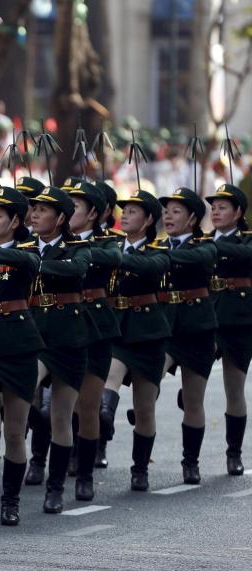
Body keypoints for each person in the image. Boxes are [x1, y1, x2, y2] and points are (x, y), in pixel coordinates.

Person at [0, 187, 43, 525]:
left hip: (17, 344)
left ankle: (11, 499)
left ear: (15, 221)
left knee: (15, 432)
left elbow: (30, 262)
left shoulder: (28, 249)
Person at [27, 186, 95, 513]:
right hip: (33, 336)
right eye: (34, 209)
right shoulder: (24, 246)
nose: (35, 214)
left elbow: (75, 270)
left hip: (69, 337)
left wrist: (34, 263)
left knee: (62, 416)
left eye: (43, 210)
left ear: (61, 218)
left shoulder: (77, 248)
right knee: (25, 393)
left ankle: (55, 488)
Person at [103, 190, 170, 492]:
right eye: (124, 210)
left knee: (144, 408)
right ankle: (103, 418)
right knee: (111, 373)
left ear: (149, 220)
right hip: (117, 331)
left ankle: (140, 468)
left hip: (147, 334)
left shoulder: (159, 250)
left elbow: (151, 268)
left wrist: (119, 257)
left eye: (133, 211)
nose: (125, 215)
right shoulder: (111, 245)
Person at [157, 187, 217, 485]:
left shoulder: (204, 246)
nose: (168, 215)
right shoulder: (155, 247)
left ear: (193, 218)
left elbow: (202, 259)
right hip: (166, 329)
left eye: (176, 211)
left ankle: (190, 461)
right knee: (149, 375)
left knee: (193, 402)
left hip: (196, 330)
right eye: (166, 210)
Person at [66, 181, 122, 501]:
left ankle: (84, 472)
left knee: (87, 406)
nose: (69, 211)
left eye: (76, 206)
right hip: (61, 327)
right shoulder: (53, 242)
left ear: (94, 213)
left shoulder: (108, 243)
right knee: (59, 406)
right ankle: (47, 463)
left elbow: (107, 259)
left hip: (95, 327)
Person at [207, 183, 250, 476]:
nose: (216, 211)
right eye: (213, 206)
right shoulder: (202, 240)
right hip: (205, 317)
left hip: (237, 319)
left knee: (234, 390)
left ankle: (233, 451)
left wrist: (207, 246)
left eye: (223, 207)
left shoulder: (247, 241)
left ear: (238, 213)